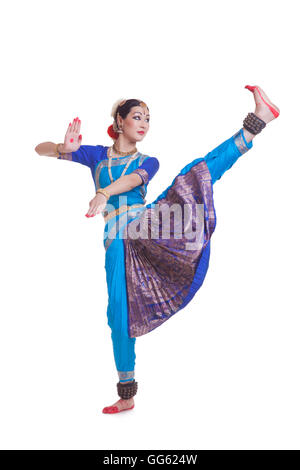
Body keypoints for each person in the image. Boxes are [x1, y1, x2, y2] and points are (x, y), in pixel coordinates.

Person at [35, 86, 280, 414]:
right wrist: (60, 148)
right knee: (119, 317)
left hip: (145, 226)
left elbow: (133, 181)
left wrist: (104, 192)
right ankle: (126, 394)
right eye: (138, 117)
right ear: (119, 121)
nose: (144, 123)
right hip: (116, 243)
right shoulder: (95, 155)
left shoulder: (148, 161)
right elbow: (39, 150)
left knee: (195, 175)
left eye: (148, 119)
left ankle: (255, 123)